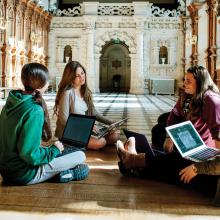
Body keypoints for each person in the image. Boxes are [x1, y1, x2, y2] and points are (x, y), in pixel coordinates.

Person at [116, 66, 220, 205]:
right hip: (195, 148)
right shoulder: (188, 95)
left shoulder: (212, 101)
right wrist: (169, 138)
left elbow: (217, 149)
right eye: (185, 80)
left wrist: (197, 167)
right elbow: (173, 115)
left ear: (200, 83)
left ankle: (133, 162)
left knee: (177, 166)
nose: (184, 83)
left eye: (189, 81)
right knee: (169, 151)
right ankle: (133, 162)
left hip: (207, 158)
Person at [0, 63, 89, 185]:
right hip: (25, 173)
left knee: (66, 151)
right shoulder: (34, 110)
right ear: (41, 85)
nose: (49, 82)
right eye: (47, 80)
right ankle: (64, 173)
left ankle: (57, 172)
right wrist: (54, 150)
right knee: (80, 156)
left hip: (6, 170)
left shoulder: (12, 102)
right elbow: (30, 154)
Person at [54, 61, 119, 150]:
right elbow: (64, 120)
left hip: (84, 129)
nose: (81, 77)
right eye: (77, 76)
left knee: (115, 135)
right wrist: (86, 127)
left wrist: (111, 122)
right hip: (69, 132)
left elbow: (94, 113)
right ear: (70, 77)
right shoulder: (67, 93)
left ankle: (90, 141)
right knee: (101, 142)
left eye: (82, 73)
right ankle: (83, 142)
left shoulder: (86, 91)